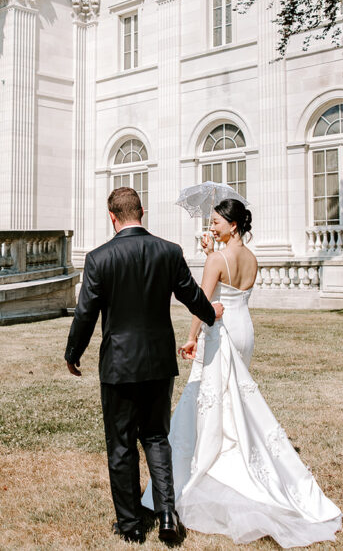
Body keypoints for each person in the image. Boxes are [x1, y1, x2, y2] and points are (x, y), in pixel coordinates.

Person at [142, 198, 343, 547]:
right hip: (244, 328)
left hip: (219, 331)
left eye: (217, 221)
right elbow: (232, 288)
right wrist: (210, 255)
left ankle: (216, 464)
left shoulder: (218, 258)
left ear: (233, 225)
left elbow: (203, 303)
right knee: (232, 395)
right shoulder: (251, 257)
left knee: (211, 395)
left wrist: (191, 338)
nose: (212, 226)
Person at [65, 187, 225, 545]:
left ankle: (132, 525)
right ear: (142, 211)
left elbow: (85, 312)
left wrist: (73, 352)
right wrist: (209, 315)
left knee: (121, 444)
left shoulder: (99, 258)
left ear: (112, 217)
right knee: (156, 437)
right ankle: (167, 513)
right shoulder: (168, 252)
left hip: (119, 366)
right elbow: (191, 295)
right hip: (158, 362)